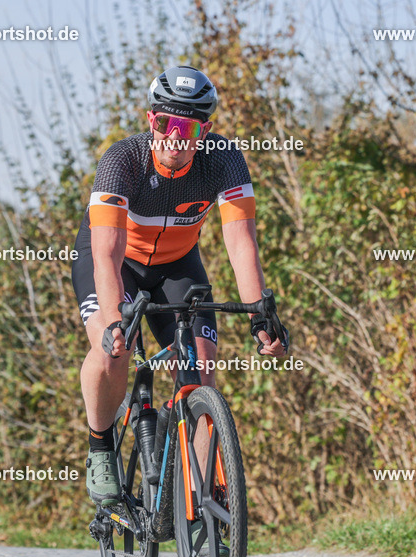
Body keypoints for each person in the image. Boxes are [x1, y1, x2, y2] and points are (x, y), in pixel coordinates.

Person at [71, 65, 286, 510]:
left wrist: (260, 313)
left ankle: (204, 503)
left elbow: (240, 243)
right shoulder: (121, 161)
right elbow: (106, 255)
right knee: (114, 349)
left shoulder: (223, 160)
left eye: (186, 127)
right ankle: (99, 444)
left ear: (203, 131)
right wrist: (115, 319)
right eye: (164, 122)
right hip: (114, 262)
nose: (174, 136)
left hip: (177, 266)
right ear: (151, 121)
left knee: (201, 367)